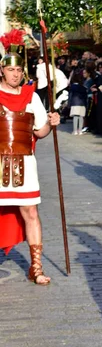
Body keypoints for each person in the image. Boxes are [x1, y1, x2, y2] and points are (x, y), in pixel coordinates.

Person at [0, 51, 60, 284]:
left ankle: (35, 267)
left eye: (18, 70)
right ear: (2, 71)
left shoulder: (31, 97)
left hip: (25, 163)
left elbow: (39, 132)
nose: (15, 74)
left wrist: (52, 124)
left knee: (31, 213)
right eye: (10, 70)